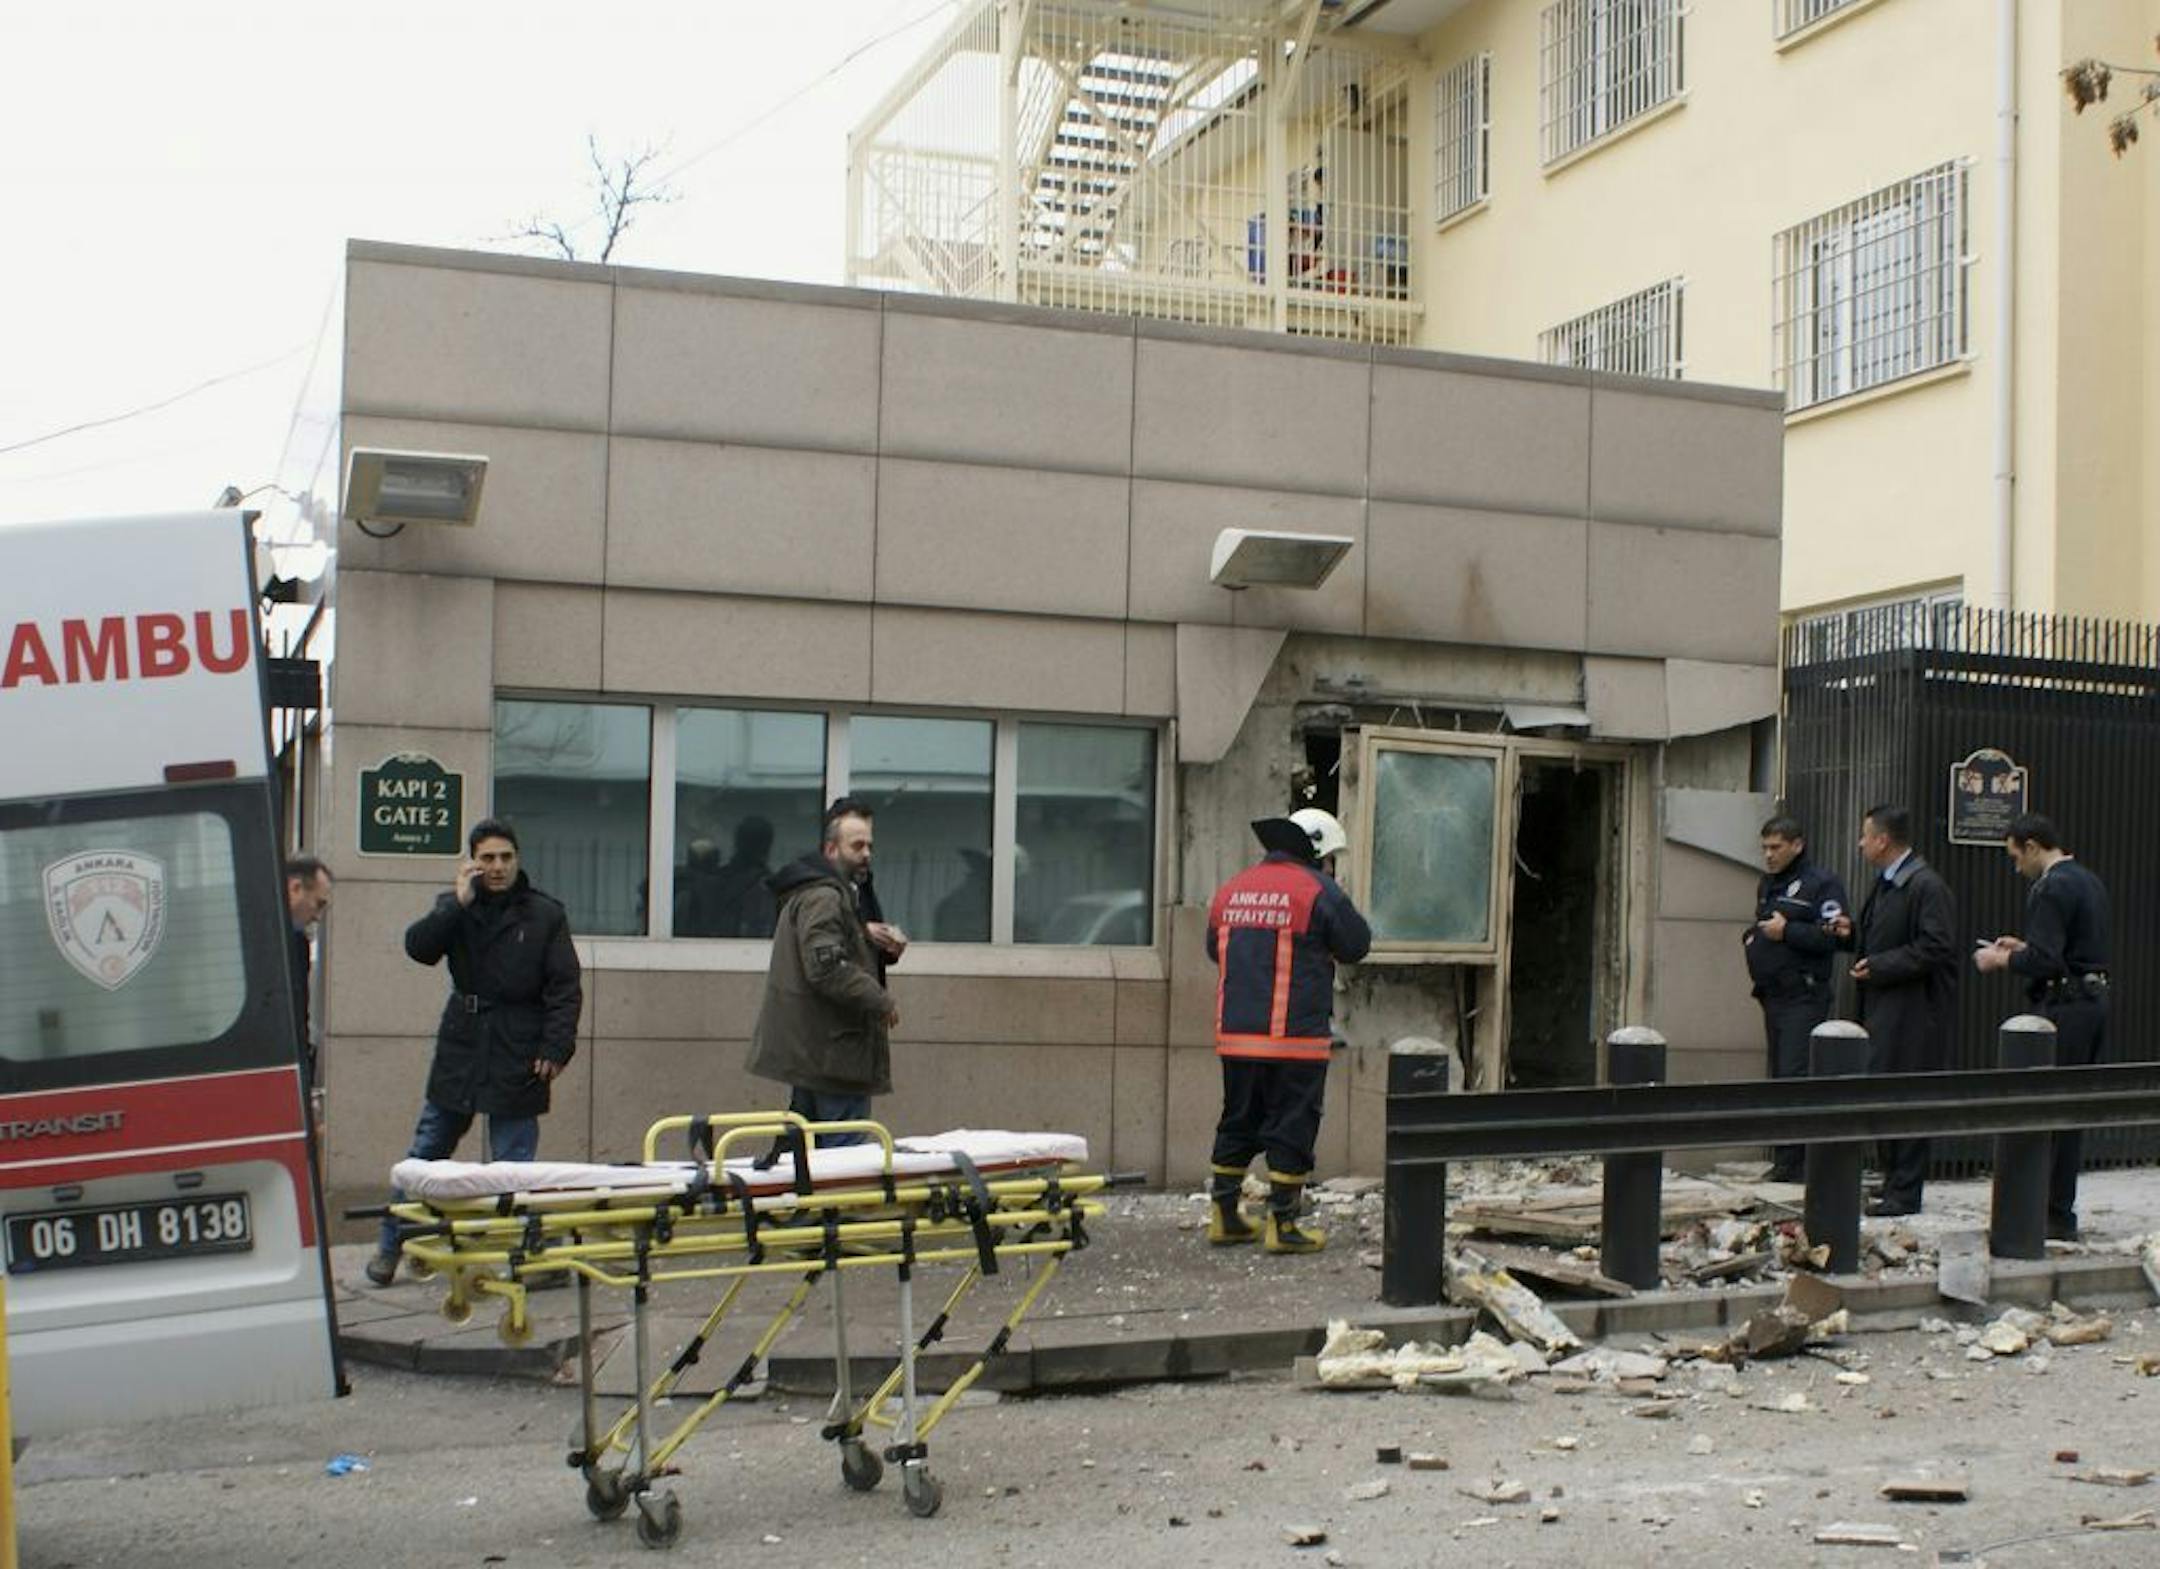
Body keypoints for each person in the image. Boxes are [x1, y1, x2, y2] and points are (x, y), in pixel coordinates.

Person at [366, 819, 583, 1286]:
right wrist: (458, 905)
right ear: (472, 863)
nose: (498, 866)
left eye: (505, 857)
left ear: (517, 859)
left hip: (518, 1049)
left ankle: (529, 1258)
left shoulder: (544, 915)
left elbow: (565, 987)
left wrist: (556, 1047)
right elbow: (418, 948)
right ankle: (390, 1246)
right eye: (487, 858)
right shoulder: (455, 908)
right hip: (462, 1046)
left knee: (515, 1165)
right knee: (425, 1153)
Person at [1204, 808, 1371, 1254]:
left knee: (1237, 1121)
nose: (1333, 867)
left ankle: (1223, 1217)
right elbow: (1357, 945)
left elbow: (1213, 949)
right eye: (1331, 858)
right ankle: (1284, 1225)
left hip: (1236, 1035)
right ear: (1316, 850)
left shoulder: (1231, 888)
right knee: (1292, 1127)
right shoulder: (1318, 890)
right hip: (1295, 1038)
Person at [1973, 812, 2110, 1241]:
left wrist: (2002, 958)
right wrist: (2026, 946)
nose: (2016, 867)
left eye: (2016, 857)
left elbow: (2048, 962)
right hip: (2092, 1002)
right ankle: (2058, 1211)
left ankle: (2045, 1211)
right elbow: (2068, 949)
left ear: (2033, 846)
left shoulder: (2049, 887)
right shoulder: (2088, 880)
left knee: (2046, 1109)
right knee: (2069, 1112)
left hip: (2065, 1008)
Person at [1828, 804, 1958, 1218]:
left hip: (1913, 1014)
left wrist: (1881, 966)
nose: (1861, 843)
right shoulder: (1888, 883)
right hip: (1884, 1008)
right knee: (1884, 1092)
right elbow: (1884, 936)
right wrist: (1853, 935)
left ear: (1883, 840)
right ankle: (1891, 1183)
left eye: (1866, 836)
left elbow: (1936, 946)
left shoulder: (1925, 885)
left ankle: (1905, 1190)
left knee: (1905, 1096)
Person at [747, 801, 900, 1145]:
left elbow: (826, 953)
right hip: (834, 1054)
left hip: (817, 1051)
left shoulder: (822, 892)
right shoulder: (825, 897)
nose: (867, 854)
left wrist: (866, 938)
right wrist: (880, 1000)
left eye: (870, 845)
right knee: (843, 1165)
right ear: (831, 849)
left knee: (802, 1160)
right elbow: (826, 967)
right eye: (857, 846)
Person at [1740, 815, 1848, 1183]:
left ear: (1797, 845)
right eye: (1765, 848)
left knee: (1795, 1076)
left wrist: (1788, 932)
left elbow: (1836, 937)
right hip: (1773, 995)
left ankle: (1797, 1163)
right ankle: (1785, 1158)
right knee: (1779, 1077)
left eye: (1776, 847)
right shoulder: (1769, 883)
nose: (1768, 855)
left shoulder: (1821, 884)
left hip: (1804, 994)